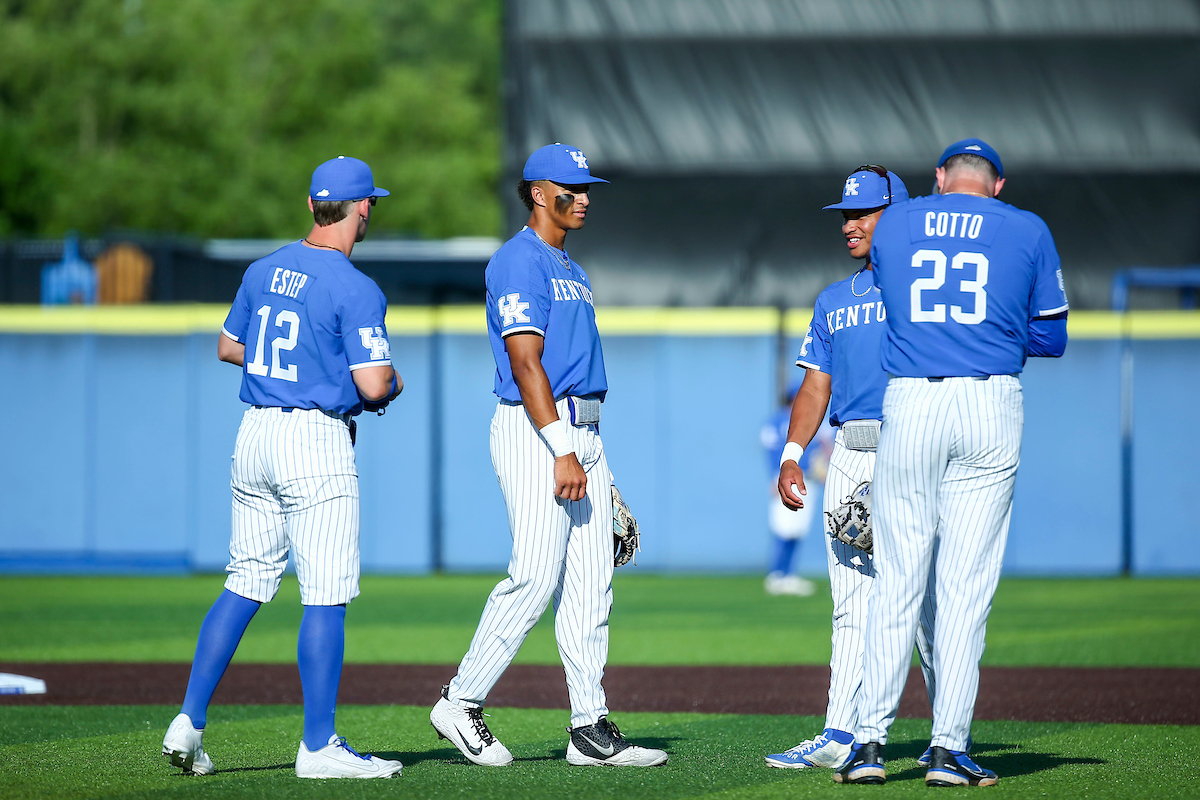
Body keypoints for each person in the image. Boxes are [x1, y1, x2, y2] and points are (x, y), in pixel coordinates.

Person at [161, 156, 404, 780]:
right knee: (325, 594)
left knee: (244, 583)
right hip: (313, 440)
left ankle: (188, 722)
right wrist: (385, 379)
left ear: (311, 205)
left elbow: (229, 346)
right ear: (363, 207)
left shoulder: (264, 268)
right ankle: (319, 747)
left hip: (256, 433)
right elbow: (375, 384)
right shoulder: (355, 286)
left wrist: (296, 362)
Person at [836, 140, 1068, 787]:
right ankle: (946, 750)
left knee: (896, 582)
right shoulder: (1026, 227)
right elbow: (1052, 335)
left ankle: (870, 745)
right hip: (990, 400)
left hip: (909, 401)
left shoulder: (902, 220)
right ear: (998, 184)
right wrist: (992, 327)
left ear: (938, 179)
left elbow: (889, 289)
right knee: (964, 591)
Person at [429, 143, 667, 768]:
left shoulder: (569, 266)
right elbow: (524, 360)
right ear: (538, 192)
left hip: (583, 433)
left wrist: (592, 458)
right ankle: (460, 700)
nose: (584, 197)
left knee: (592, 584)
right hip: (539, 430)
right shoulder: (519, 262)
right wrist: (563, 447)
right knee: (536, 576)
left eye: (587, 188)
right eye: (571, 188)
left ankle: (589, 727)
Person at [765, 166, 939, 771]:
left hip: (915, 449)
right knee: (852, 602)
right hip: (849, 451)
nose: (851, 224)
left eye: (864, 212)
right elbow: (815, 387)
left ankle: (948, 739)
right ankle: (842, 732)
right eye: (846, 214)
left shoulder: (926, 287)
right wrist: (791, 455)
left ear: (900, 213)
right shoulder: (834, 300)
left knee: (928, 604)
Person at [760, 387, 833, 596]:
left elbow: (825, 446)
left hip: (808, 480)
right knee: (783, 529)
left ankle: (788, 575)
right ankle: (776, 574)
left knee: (797, 530)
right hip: (786, 480)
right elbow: (772, 451)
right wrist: (775, 477)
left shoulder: (812, 421)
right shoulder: (777, 422)